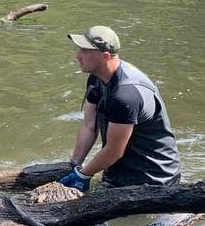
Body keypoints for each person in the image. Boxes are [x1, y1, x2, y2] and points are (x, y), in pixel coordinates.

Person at [59, 26, 180, 192]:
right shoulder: (96, 78)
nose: (77, 55)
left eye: (85, 51)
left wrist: (83, 175)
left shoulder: (125, 96)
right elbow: (89, 125)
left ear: (105, 56)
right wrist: (75, 166)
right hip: (118, 171)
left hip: (153, 180)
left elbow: (114, 151)